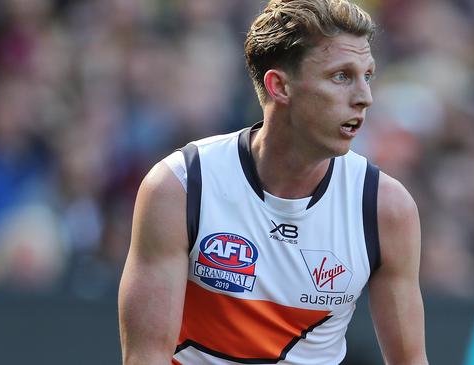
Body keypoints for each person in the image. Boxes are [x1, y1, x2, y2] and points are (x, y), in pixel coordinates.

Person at [118, 0, 428, 364]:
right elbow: (145, 358)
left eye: (368, 75)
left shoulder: (384, 207)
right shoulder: (181, 186)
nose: (365, 97)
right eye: (342, 76)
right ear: (279, 86)